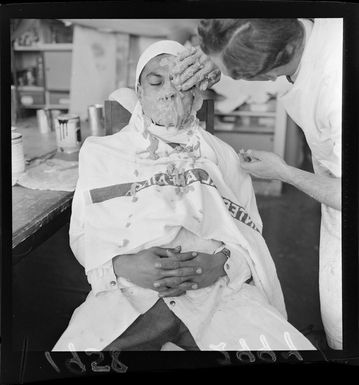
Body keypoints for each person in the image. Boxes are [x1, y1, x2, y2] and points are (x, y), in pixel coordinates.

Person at [53, 40, 314, 351]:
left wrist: (222, 265)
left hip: (216, 296)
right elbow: (84, 235)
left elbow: (250, 234)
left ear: (197, 94)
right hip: (128, 299)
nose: (170, 90)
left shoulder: (222, 155)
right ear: (140, 93)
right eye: (156, 81)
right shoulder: (101, 152)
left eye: (181, 81)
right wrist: (122, 267)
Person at [172, 19, 342, 350]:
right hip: (330, 178)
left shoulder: (336, 87)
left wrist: (285, 172)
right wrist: (219, 54)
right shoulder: (298, 23)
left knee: (342, 318)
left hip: (342, 192)